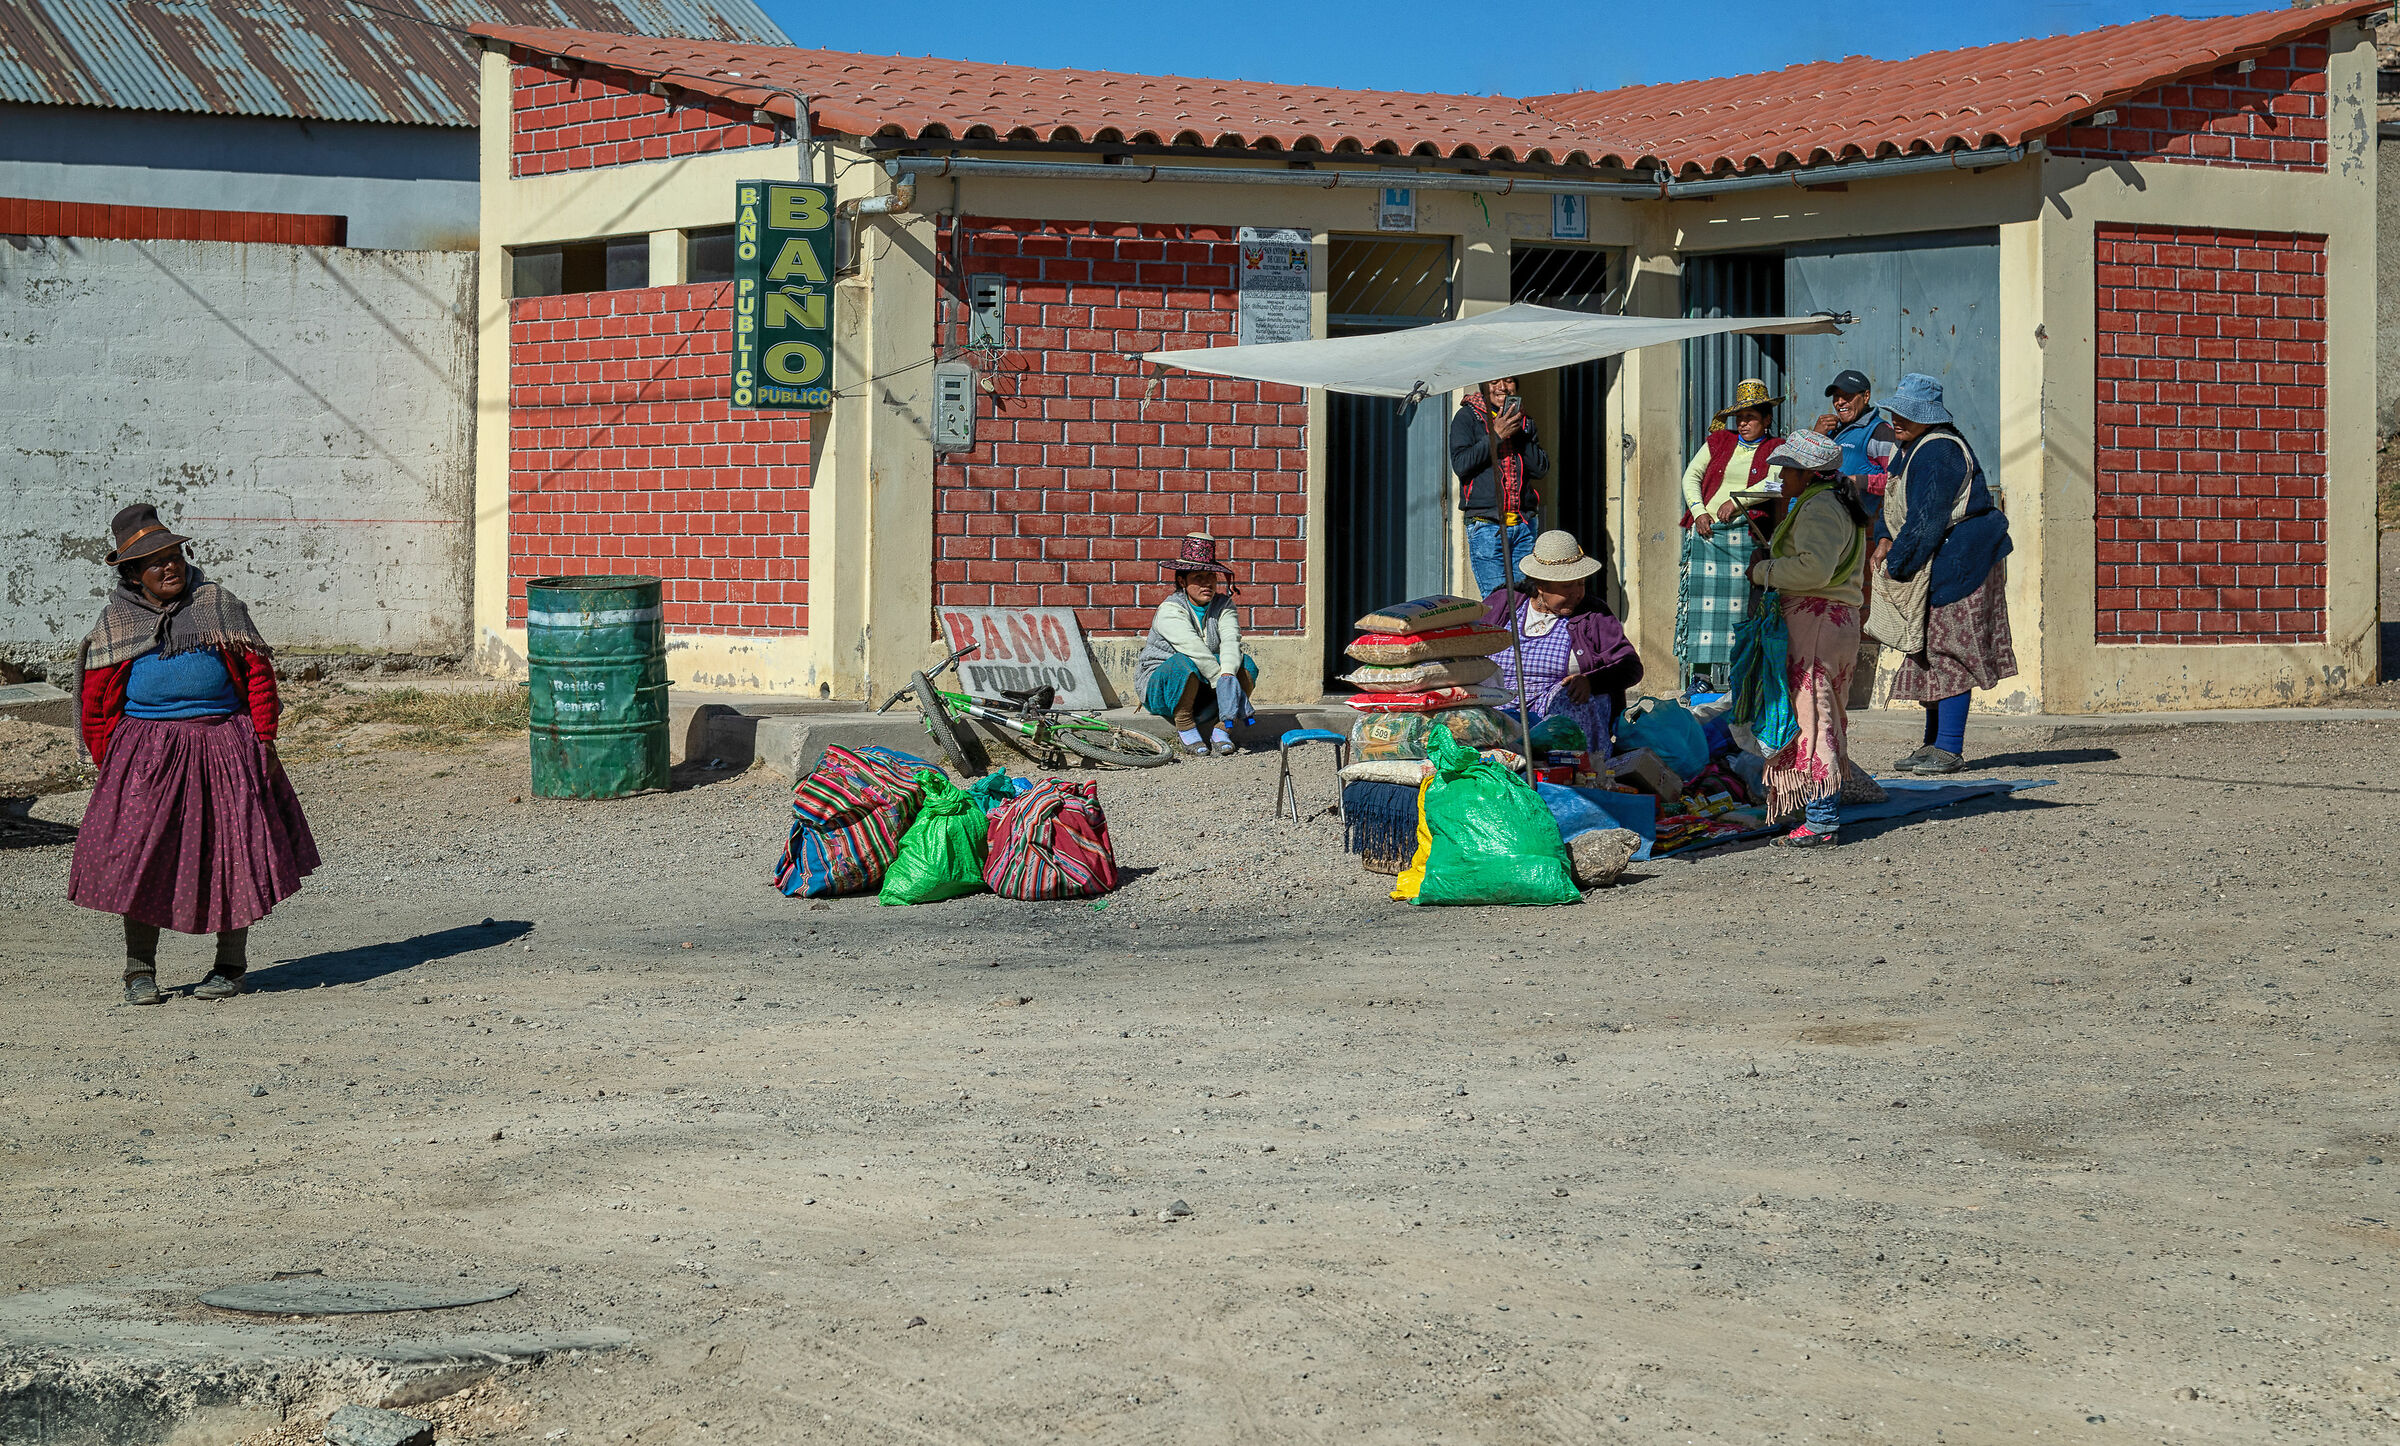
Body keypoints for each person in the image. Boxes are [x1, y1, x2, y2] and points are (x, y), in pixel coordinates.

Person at [69, 505, 317, 1005]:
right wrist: (113, 764)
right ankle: (139, 971)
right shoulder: (117, 620)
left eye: (173, 554)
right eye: (153, 561)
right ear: (131, 573)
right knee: (140, 855)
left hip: (225, 742)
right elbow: (95, 699)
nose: (169, 566)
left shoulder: (217, 605)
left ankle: (230, 967)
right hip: (145, 752)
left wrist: (262, 739)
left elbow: (258, 678)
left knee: (232, 851)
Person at [1872, 373, 2016, 774]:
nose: (1896, 419)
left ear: (1930, 416)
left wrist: (1897, 566)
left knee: (1949, 649)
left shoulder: (1939, 453)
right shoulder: (1908, 447)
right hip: (1936, 555)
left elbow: (1926, 520)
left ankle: (1949, 748)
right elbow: (1896, 504)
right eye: (1894, 412)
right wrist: (1884, 537)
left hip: (1960, 558)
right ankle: (1931, 744)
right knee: (1927, 648)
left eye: (1907, 413)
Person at [1742, 432, 1873, 848]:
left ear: (1807, 473)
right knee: (1820, 714)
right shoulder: (1833, 502)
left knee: (1813, 718)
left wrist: (1764, 572)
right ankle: (1814, 808)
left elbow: (1814, 570)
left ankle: (1821, 819)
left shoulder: (1820, 507)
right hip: (1830, 622)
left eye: (1786, 469)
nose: (1780, 476)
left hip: (1817, 623)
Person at [1478, 530, 1643, 756]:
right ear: (1540, 585)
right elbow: (1469, 643)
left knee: (1576, 702)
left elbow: (1630, 666)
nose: (1577, 593)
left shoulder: (1593, 614)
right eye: (1567, 586)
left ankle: (1572, 772)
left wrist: (1591, 681)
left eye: (1581, 584)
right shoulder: (1505, 603)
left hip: (1555, 716)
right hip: (1500, 709)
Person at [1675, 378, 1782, 686]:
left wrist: (1739, 501)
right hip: (1709, 535)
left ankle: (1740, 675)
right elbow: (1691, 475)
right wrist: (1698, 511)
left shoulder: (1777, 448)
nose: (1744, 422)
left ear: (1767, 420)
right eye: (1741, 417)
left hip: (1746, 537)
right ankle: (1701, 677)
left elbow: (1777, 484)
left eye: (1751, 417)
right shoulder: (1720, 441)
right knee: (1702, 607)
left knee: (1741, 608)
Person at [1134, 532, 1258, 757]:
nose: (1207, 583)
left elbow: (1231, 641)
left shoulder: (1224, 606)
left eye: (1211, 576)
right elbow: (1194, 649)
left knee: (1245, 664)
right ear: (1182, 581)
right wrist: (1222, 684)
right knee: (1184, 662)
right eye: (1198, 577)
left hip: (1205, 687)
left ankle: (1223, 728)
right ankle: (1185, 724)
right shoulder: (1170, 609)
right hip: (1164, 686)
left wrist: (1228, 677)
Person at [1450, 374, 1550, 596]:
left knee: (1525, 600)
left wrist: (1518, 434)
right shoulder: (1468, 417)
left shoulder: (1524, 421)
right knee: (1498, 601)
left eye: (1509, 381)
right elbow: (1461, 464)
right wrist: (1496, 435)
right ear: (1484, 387)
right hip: (1487, 526)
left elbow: (1540, 469)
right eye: (1494, 382)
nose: (1502, 388)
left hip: (1523, 525)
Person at [1811, 368, 1899, 505]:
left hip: (1854, 521)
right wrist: (1815, 437)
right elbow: (1805, 472)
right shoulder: (1828, 430)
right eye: (1836, 396)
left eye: (1847, 395)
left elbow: (1896, 480)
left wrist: (1860, 481)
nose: (1839, 402)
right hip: (1820, 514)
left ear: (1866, 396)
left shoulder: (1880, 433)